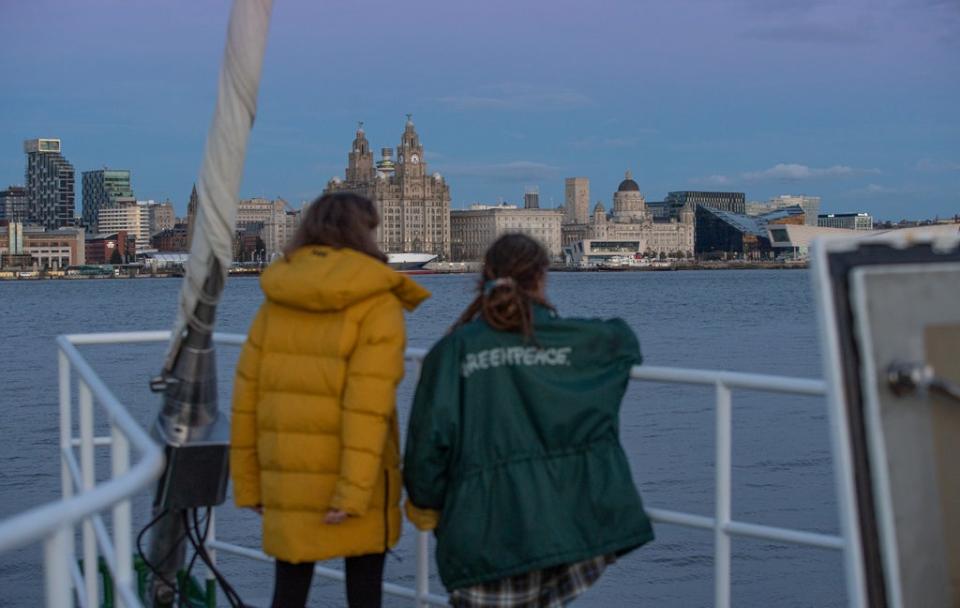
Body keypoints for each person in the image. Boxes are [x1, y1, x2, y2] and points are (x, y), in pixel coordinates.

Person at [403, 234, 653, 607]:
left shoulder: (452, 350)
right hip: (563, 528)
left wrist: (434, 507)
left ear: (484, 277)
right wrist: (552, 328)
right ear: (541, 278)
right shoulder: (569, 340)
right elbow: (621, 341)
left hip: (483, 533)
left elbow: (425, 454)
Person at [230, 192, 430, 608]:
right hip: (354, 479)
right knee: (364, 592)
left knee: (288, 590)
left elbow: (247, 397)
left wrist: (249, 486)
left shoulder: (276, 297)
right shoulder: (376, 299)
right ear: (365, 232)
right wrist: (353, 492)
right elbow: (369, 404)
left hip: (286, 471)